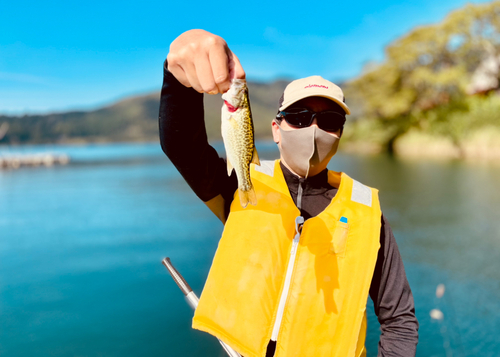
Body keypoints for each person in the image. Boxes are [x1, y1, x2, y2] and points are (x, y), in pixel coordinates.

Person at [159, 29, 419, 357]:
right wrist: (177, 74)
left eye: (329, 119)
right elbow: (181, 144)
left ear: (340, 132)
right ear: (275, 129)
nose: (314, 128)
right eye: (298, 117)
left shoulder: (367, 214)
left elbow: (398, 318)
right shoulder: (241, 187)